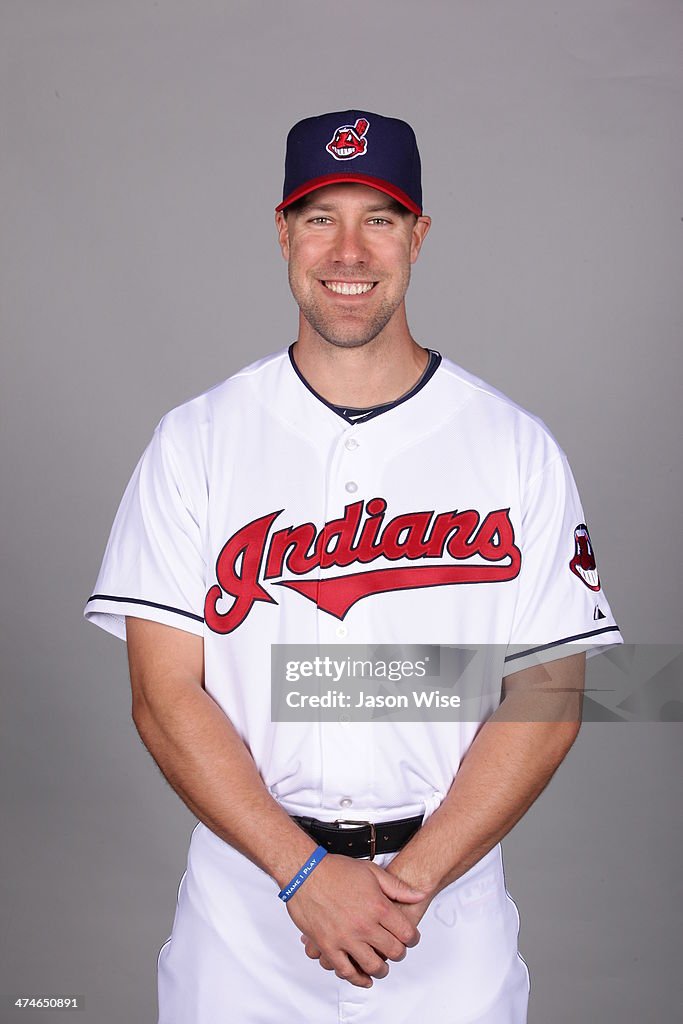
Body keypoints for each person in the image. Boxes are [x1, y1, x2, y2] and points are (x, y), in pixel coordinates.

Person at [84, 109, 622, 1023]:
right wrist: (303, 875)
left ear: (417, 236)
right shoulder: (197, 442)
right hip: (244, 910)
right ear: (282, 234)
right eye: (318, 215)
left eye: (377, 217)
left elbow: (548, 697)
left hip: (445, 915)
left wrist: (405, 884)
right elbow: (163, 693)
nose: (348, 249)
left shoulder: (512, 447)